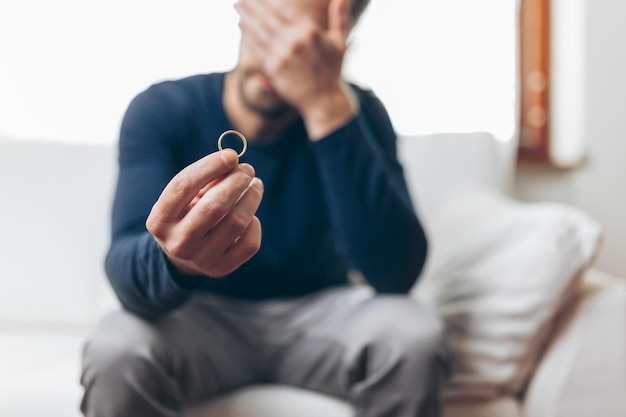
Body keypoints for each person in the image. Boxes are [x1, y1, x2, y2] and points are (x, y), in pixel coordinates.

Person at [80, 0, 452, 416]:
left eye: (305, 43)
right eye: (276, 30)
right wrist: (175, 259)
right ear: (245, 17)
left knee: (414, 338)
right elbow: (126, 269)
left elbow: (396, 274)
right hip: (198, 317)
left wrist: (326, 103)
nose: (283, 57)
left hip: (322, 315)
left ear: (338, 48)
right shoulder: (163, 109)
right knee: (115, 349)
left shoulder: (360, 114)